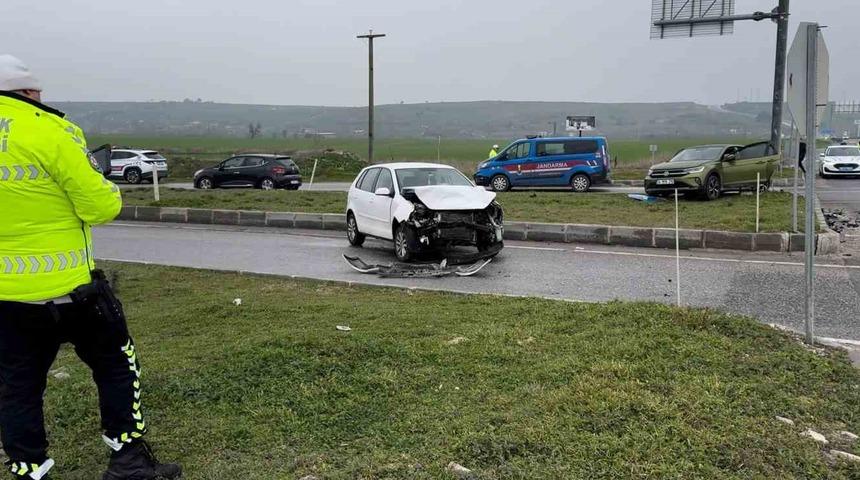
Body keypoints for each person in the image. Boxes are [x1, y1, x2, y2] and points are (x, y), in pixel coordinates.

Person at [0, 55, 181, 480]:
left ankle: (28, 471)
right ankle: (128, 460)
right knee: (118, 364)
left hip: (7, 297)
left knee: (18, 387)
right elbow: (100, 206)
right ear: (27, 92)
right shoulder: (51, 130)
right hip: (72, 290)